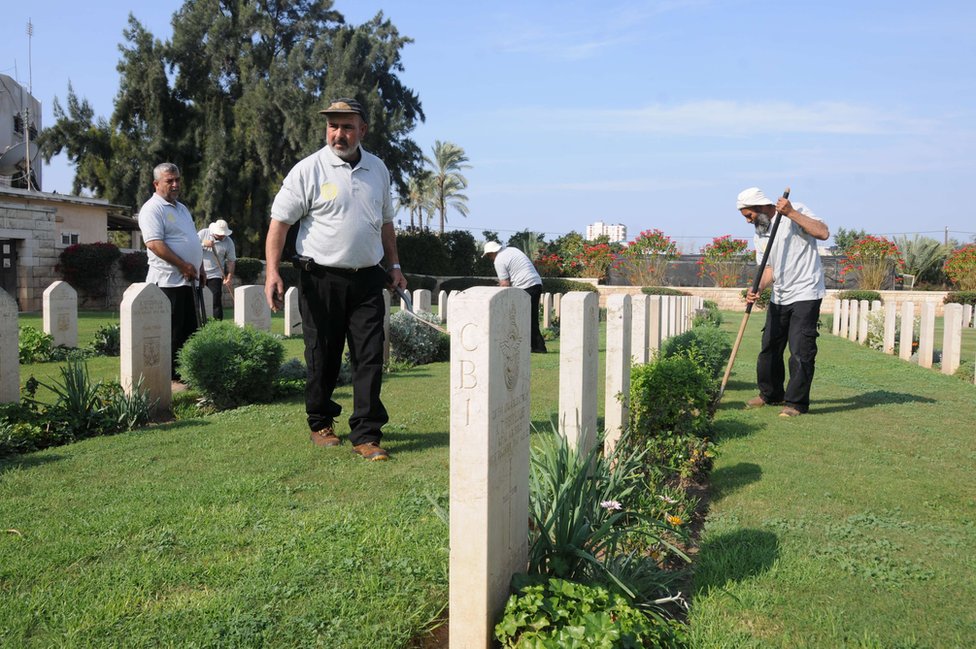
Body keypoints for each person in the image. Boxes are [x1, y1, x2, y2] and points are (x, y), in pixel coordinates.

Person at [264, 97, 405, 462]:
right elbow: (279, 223)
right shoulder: (308, 170)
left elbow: (386, 223)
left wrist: (394, 266)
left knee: (370, 357)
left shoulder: (377, 169)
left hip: (368, 279)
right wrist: (272, 271)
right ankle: (321, 422)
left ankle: (366, 434)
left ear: (363, 129)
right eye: (332, 126)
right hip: (320, 277)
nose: (338, 134)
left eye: (346, 126)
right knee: (322, 355)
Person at [738, 187, 830, 417]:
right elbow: (768, 269)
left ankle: (796, 403)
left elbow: (823, 233)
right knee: (769, 347)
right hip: (780, 295)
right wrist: (757, 287)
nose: (748, 221)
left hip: (805, 292)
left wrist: (791, 213)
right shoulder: (760, 233)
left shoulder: (795, 210)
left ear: (760, 207)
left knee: (800, 349)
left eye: (749, 215)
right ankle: (770, 394)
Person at [138, 162, 204, 381]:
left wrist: (200, 266)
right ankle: (171, 378)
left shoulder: (181, 208)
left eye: (177, 180)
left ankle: (187, 373)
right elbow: (154, 243)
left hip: (188, 280)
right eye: (169, 181)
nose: (175, 184)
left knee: (190, 330)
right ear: (156, 184)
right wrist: (183, 265)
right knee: (173, 332)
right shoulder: (152, 209)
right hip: (168, 282)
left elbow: (192, 240)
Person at [482, 241, 548, 353]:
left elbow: (505, 284)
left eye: (488, 255)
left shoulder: (499, 261)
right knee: (531, 317)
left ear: (491, 253)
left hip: (525, 286)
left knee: (520, 318)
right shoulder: (511, 250)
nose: (489, 258)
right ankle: (536, 346)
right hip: (536, 283)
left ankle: (537, 347)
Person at [198, 219, 237, 320]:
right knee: (197, 300)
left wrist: (229, 277)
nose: (222, 236)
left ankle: (217, 325)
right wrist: (202, 243)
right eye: (220, 234)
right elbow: (190, 245)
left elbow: (231, 261)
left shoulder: (228, 242)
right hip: (199, 273)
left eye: (223, 234)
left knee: (216, 301)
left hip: (215, 275)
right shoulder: (203, 233)